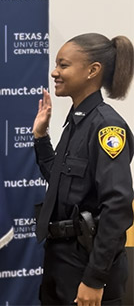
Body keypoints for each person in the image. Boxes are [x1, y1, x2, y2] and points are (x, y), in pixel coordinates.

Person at [33, 33, 134, 306]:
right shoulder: (76, 123)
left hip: (87, 264)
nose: (55, 72)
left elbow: (117, 206)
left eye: (63, 65)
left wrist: (94, 278)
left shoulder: (106, 127)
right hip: (60, 261)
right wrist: (41, 139)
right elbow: (60, 186)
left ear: (92, 71)